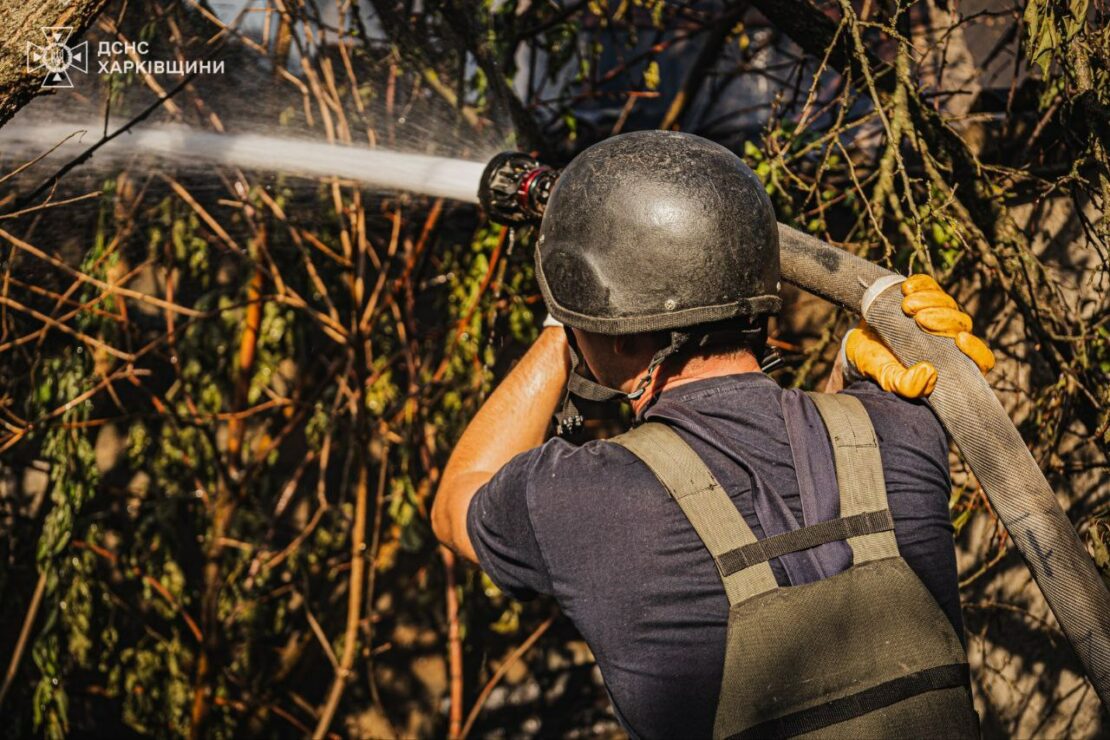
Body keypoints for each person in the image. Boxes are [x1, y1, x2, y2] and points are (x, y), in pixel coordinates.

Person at [432, 131, 994, 739]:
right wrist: (855, 369)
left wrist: (561, 322)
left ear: (611, 327)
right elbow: (821, 526)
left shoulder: (581, 500)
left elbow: (456, 498)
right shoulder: (905, 427)